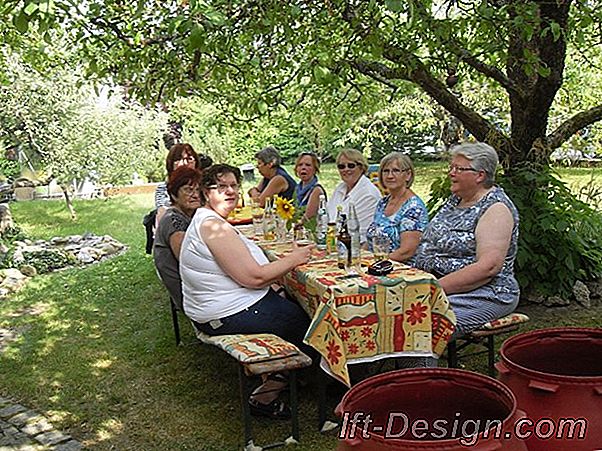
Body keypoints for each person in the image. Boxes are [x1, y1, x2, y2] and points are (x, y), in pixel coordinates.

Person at [180, 164, 314, 419]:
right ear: (206, 193)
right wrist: (296, 258)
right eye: (221, 187)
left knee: (291, 303)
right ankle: (269, 396)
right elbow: (254, 277)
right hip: (225, 315)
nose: (230, 191)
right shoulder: (212, 226)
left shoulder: (209, 221)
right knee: (310, 325)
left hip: (221, 307)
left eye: (233, 185)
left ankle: (302, 378)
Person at [414, 142, 520, 337]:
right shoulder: (456, 200)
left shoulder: (495, 208)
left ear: (480, 175)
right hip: (438, 284)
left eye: (458, 169)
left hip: (485, 293)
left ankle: (422, 369)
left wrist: (431, 290)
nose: (451, 173)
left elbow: (488, 268)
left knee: (421, 325)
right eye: (451, 167)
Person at [153, 166, 202, 309]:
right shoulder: (174, 220)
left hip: (195, 286)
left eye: (198, 190)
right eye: (188, 190)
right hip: (190, 295)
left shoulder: (190, 215)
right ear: (174, 195)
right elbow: (189, 261)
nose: (195, 195)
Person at [366, 153, 428, 264]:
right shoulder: (383, 203)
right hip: (374, 264)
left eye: (395, 171)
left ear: (408, 175)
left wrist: (374, 263)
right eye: (386, 171)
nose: (390, 176)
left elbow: (406, 252)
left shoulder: (413, 208)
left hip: (398, 268)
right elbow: (372, 238)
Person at [327, 148, 382, 243]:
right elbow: (327, 217)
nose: (346, 169)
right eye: (341, 166)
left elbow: (358, 232)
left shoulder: (369, 194)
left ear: (361, 168)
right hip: (334, 243)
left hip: (357, 247)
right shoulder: (340, 188)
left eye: (351, 166)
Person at [155, 143, 213, 225]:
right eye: (179, 159)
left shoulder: (205, 185)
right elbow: (163, 214)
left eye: (189, 159)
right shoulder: (163, 188)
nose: (185, 163)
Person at [294, 151, 326, 219]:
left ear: (315, 169)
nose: (303, 167)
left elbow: (307, 218)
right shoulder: (297, 189)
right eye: (300, 165)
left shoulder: (317, 190)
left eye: (308, 165)